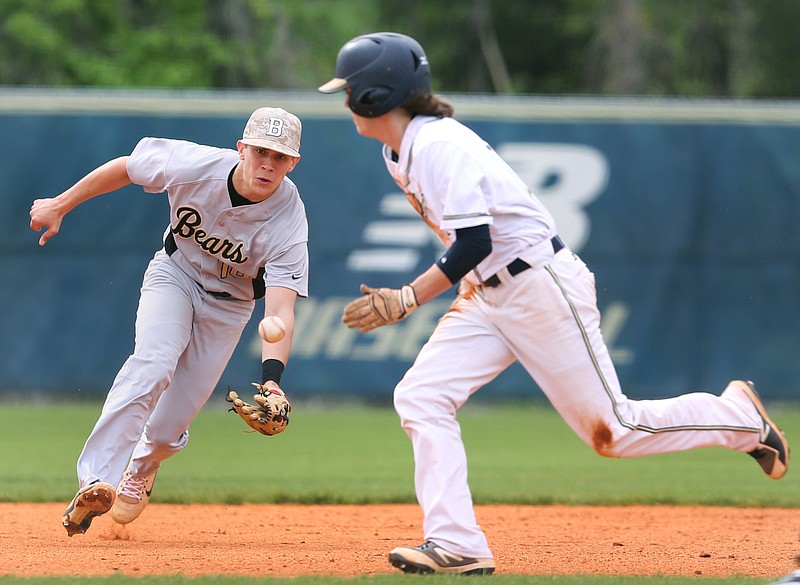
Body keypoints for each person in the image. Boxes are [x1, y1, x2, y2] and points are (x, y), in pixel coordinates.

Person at [319, 32, 790, 575]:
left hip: (537, 285)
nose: (345, 99)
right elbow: (470, 249)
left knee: (616, 432)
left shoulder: (439, 146)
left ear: (377, 96)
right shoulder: (399, 151)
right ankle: (457, 543)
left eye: (349, 89)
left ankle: (737, 419)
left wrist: (405, 298)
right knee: (421, 397)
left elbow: (476, 241)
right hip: (486, 293)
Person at [30, 106, 308, 537]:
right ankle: (95, 480)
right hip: (175, 275)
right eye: (260, 152)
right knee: (153, 363)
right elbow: (126, 166)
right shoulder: (193, 165)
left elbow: (279, 312)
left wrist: (272, 381)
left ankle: (143, 468)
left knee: (165, 429)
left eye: (280, 157)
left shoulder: (289, 219)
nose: (268, 164)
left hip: (230, 307)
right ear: (241, 149)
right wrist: (60, 204)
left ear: (293, 163)